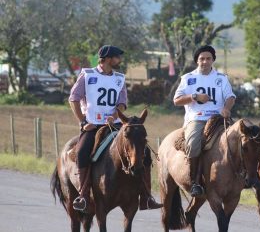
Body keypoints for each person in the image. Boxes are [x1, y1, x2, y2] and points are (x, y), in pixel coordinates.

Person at [69, 45, 162, 211]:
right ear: (107, 58)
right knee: (83, 152)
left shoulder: (119, 78)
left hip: (115, 124)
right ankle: (83, 194)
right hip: (92, 125)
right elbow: (73, 99)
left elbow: (122, 102)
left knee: (144, 152)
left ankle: (146, 196)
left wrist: (115, 114)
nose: (120, 60)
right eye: (117, 57)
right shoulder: (88, 75)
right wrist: (83, 122)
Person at [173, 45, 236, 197]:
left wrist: (226, 108)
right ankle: (194, 181)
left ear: (213, 60)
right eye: (202, 59)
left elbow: (230, 97)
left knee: (241, 140)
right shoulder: (188, 78)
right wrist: (194, 97)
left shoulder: (221, 78)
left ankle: (244, 177)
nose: (205, 61)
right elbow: (177, 100)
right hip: (197, 118)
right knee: (193, 143)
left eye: (208, 58)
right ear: (197, 61)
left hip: (219, 118)